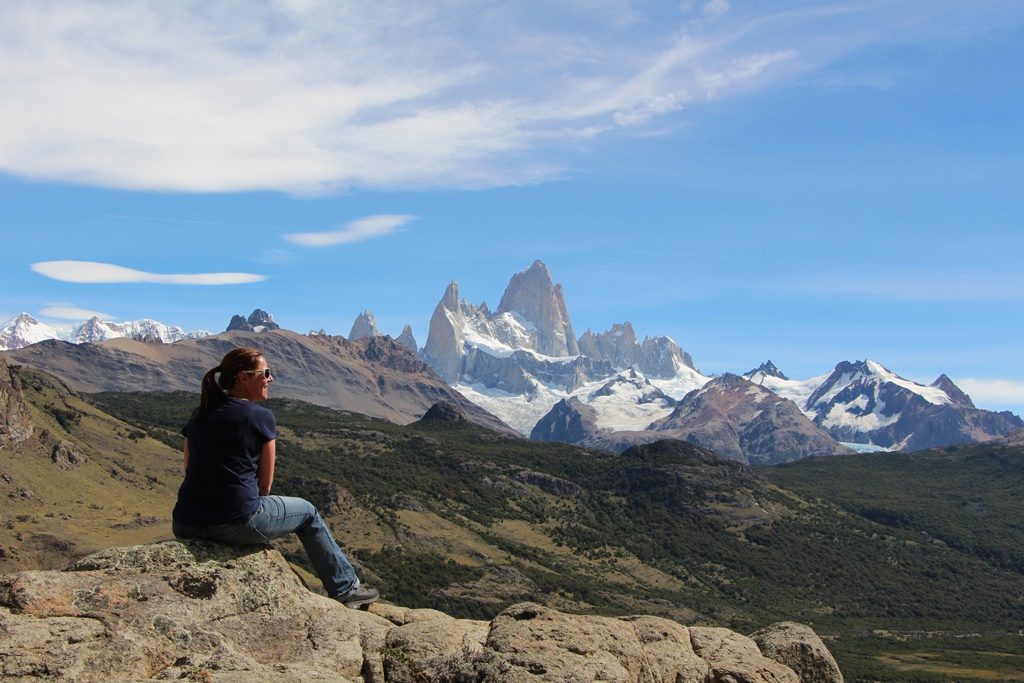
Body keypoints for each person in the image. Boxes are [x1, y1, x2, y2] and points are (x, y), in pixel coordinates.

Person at [171, 347, 379, 609]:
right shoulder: (260, 417)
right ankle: (345, 589)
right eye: (266, 373)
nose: (271, 379)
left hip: (185, 522)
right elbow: (265, 486)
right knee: (308, 512)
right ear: (244, 378)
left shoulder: (198, 416)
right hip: (237, 521)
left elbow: (189, 469)